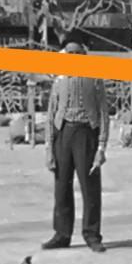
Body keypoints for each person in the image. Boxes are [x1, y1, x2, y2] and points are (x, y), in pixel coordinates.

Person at [43, 41, 109, 253]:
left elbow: (104, 114)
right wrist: (49, 148)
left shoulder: (95, 79)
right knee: (61, 187)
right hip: (63, 133)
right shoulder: (59, 80)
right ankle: (62, 234)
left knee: (90, 186)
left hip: (86, 133)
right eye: (69, 53)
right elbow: (50, 115)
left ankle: (92, 234)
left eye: (77, 53)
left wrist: (101, 148)